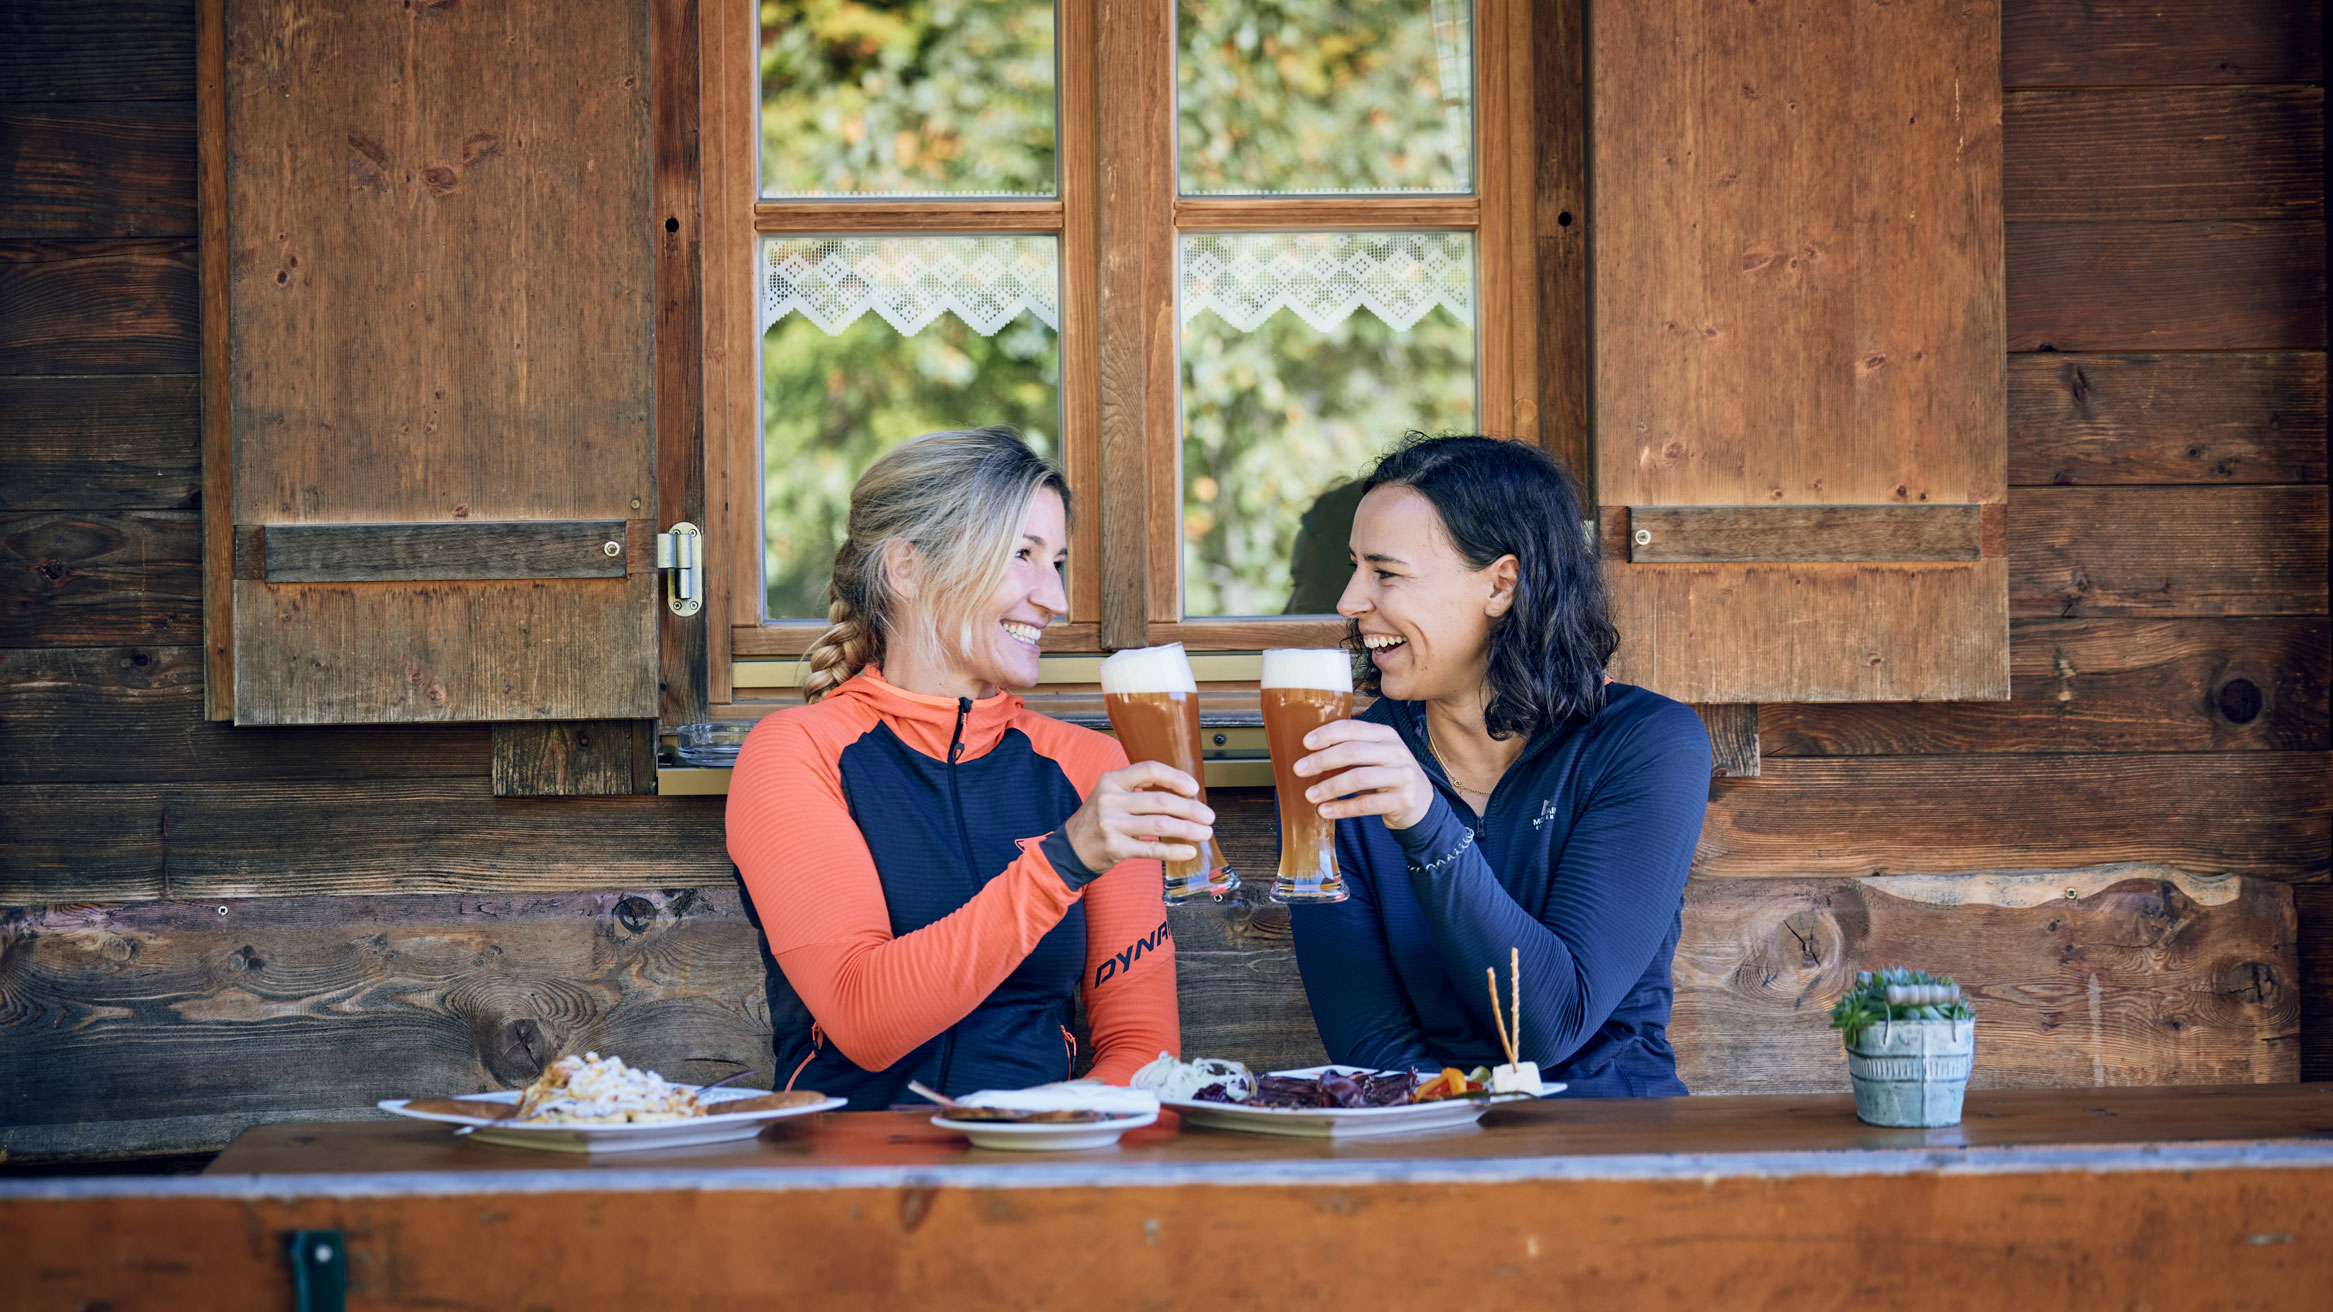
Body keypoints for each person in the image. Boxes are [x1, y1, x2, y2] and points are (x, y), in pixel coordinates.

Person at [726, 428, 1205, 1108]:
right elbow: (864, 1019)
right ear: (907, 568)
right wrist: (1063, 860)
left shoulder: (1088, 766)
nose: (1056, 599)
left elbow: (1140, 1042)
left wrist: (1049, 1132)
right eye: (1022, 555)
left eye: (1057, 562)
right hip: (851, 1175)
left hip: (1041, 1164)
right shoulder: (798, 753)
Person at [1287, 435, 1711, 1096]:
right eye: (1353, 568)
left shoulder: (1643, 744)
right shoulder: (1346, 761)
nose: (1348, 600)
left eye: (1384, 572)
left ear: (1500, 585)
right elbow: (1369, 1045)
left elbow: (1550, 1024)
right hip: (1425, 1148)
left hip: (1613, 1151)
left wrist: (1426, 825)